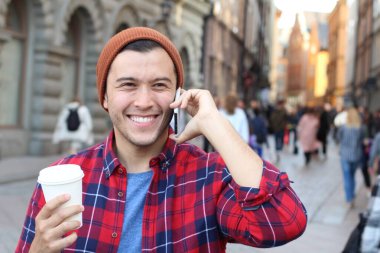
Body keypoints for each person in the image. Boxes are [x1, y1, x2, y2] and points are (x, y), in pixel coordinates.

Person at [16, 27, 307, 253]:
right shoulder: (64, 177)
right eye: (128, 85)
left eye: (159, 85)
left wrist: (215, 123)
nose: (144, 101)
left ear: (178, 96)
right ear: (104, 97)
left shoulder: (209, 178)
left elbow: (284, 221)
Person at [338, 107, 364, 207]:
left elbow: (338, 137)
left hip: (345, 155)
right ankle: (352, 195)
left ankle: (349, 198)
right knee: (352, 176)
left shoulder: (344, 127)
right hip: (356, 155)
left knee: (347, 177)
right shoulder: (360, 128)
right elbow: (361, 140)